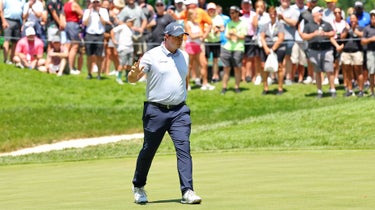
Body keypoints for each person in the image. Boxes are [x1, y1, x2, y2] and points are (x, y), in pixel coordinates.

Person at [128, 22, 202, 205]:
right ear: (166, 37)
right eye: (176, 37)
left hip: (179, 111)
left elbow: (183, 80)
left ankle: (188, 191)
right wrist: (133, 74)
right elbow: (133, 79)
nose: (179, 40)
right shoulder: (151, 55)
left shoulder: (183, 55)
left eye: (181, 37)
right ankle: (138, 186)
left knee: (184, 148)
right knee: (149, 149)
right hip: (156, 111)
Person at [301, 6, 336, 98]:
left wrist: (325, 34)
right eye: (319, 12)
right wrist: (314, 34)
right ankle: (319, 91)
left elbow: (333, 33)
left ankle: (332, 90)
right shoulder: (309, 25)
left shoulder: (326, 24)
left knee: (329, 70)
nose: (321, 14)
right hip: (314, 50)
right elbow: (304, 36)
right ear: (314, 14)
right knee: (317, 71)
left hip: (326, 49)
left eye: (321, 12)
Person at [220, 6, 246, 94]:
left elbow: (243, 36)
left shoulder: (243, 23)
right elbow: (226, 35)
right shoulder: (229, 23)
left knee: (237, 68)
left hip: (238, 48)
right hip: (227, 48)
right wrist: (233, 35)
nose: (231, 14)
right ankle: (224, 88)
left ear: (237, 13)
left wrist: (234, 34)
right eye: (230, 13)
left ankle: (237, 87)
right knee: (226, 68)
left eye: (233, 12)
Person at [260, 6, 286, 95]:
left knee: (279, 67)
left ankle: (280, 88)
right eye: (271, 13)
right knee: (264, 67)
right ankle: (265, 87)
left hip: (278, 48)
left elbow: (281, 37)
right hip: (266, 47)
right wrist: (266, 48)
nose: (273, 15)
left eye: (274, 13)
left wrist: (273, 49)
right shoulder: (265, 25)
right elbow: (262, 37)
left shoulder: (280, 25)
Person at [82, 0, 110, 80]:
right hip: (89, 34)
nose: (95, 4)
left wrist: (98, 13)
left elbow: (104, 22)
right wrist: (90, 13)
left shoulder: (103, 11)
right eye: (94, 2)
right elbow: (85, 23)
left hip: (99, 35)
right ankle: (89, 73)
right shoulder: (87, 11)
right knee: (89, 55)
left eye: (97, 2)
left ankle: (98, 74)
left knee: (99, 55)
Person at [340, 14, 364, 97]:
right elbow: (342, 37)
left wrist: (355, 30)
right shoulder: (346, 28)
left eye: (354, 18)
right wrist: (347, 30)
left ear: (357, 19)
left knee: (358, 71)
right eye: (351, 19)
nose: (352, 20)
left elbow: (363, 36)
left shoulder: (361, 28)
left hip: (357, 51)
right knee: (348, 71)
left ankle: (361, 90)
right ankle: (350, 90)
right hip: (346, 52)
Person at [277, 0, 299, 85]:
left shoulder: (294, 11)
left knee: (288, 58)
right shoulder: (276, 9)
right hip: (277, 38)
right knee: (276, 58)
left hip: (289, 38)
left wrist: (283, 18)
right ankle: (274, 77)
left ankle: (288, 78)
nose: (285, 1)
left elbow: (294, 23)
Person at [111, 16, 135, 85]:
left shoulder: (131, 29)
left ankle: (128, 79)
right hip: (123, 48)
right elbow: (112, 31)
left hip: (130, 49)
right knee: (122, 64)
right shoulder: (123, 26)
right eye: (131, 21)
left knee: (129, 65)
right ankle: (118, 78)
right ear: (127, 22)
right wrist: (114, 40)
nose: (132, 23)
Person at [0, 0, 25, 64]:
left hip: (18, 22)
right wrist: (3, 21)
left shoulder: (22, 1)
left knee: (15, 41)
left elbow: (23, 13)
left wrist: (22, 24)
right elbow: (1, 10)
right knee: (7, 40)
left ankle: (12, 59)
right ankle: (6, 59)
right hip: (8, 20)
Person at [205, 2, 224, 83]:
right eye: (210, 9)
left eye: (213, 9)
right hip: (206, 41)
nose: (211, 11)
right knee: (205, 60)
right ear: (207, 10)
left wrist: (218, 29)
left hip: (216, 41)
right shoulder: (205, 17)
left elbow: (223, 28)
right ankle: (204, 77)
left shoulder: (218, 17)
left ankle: (215, 76)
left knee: (216, 60)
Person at [63, 0, 83, 75]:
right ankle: (71, 68)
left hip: (67, 24)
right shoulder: (74, 4)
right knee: (75, 46)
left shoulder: (66, 4)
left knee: (68, 46)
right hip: (74, 24)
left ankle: (66, 66)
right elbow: (82, 14)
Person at [239, 0, 256, 83]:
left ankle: (248, 75)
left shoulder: (254, 14)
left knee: (250, 57)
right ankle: (242, 76)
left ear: (250, 6)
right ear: (242, 5)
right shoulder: (238, 13)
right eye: (244, 4)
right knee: (242, 58)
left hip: (251, 37)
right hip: (240, 37)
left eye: (247, 4)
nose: (246, 6)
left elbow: (256, 25)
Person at [361, 10, 375, 97]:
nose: (373, 19)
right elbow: (362, 41)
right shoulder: (367, 28)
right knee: (372, 72)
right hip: (370, 52)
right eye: (372, 17)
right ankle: (372, 91)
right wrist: (371, 39)